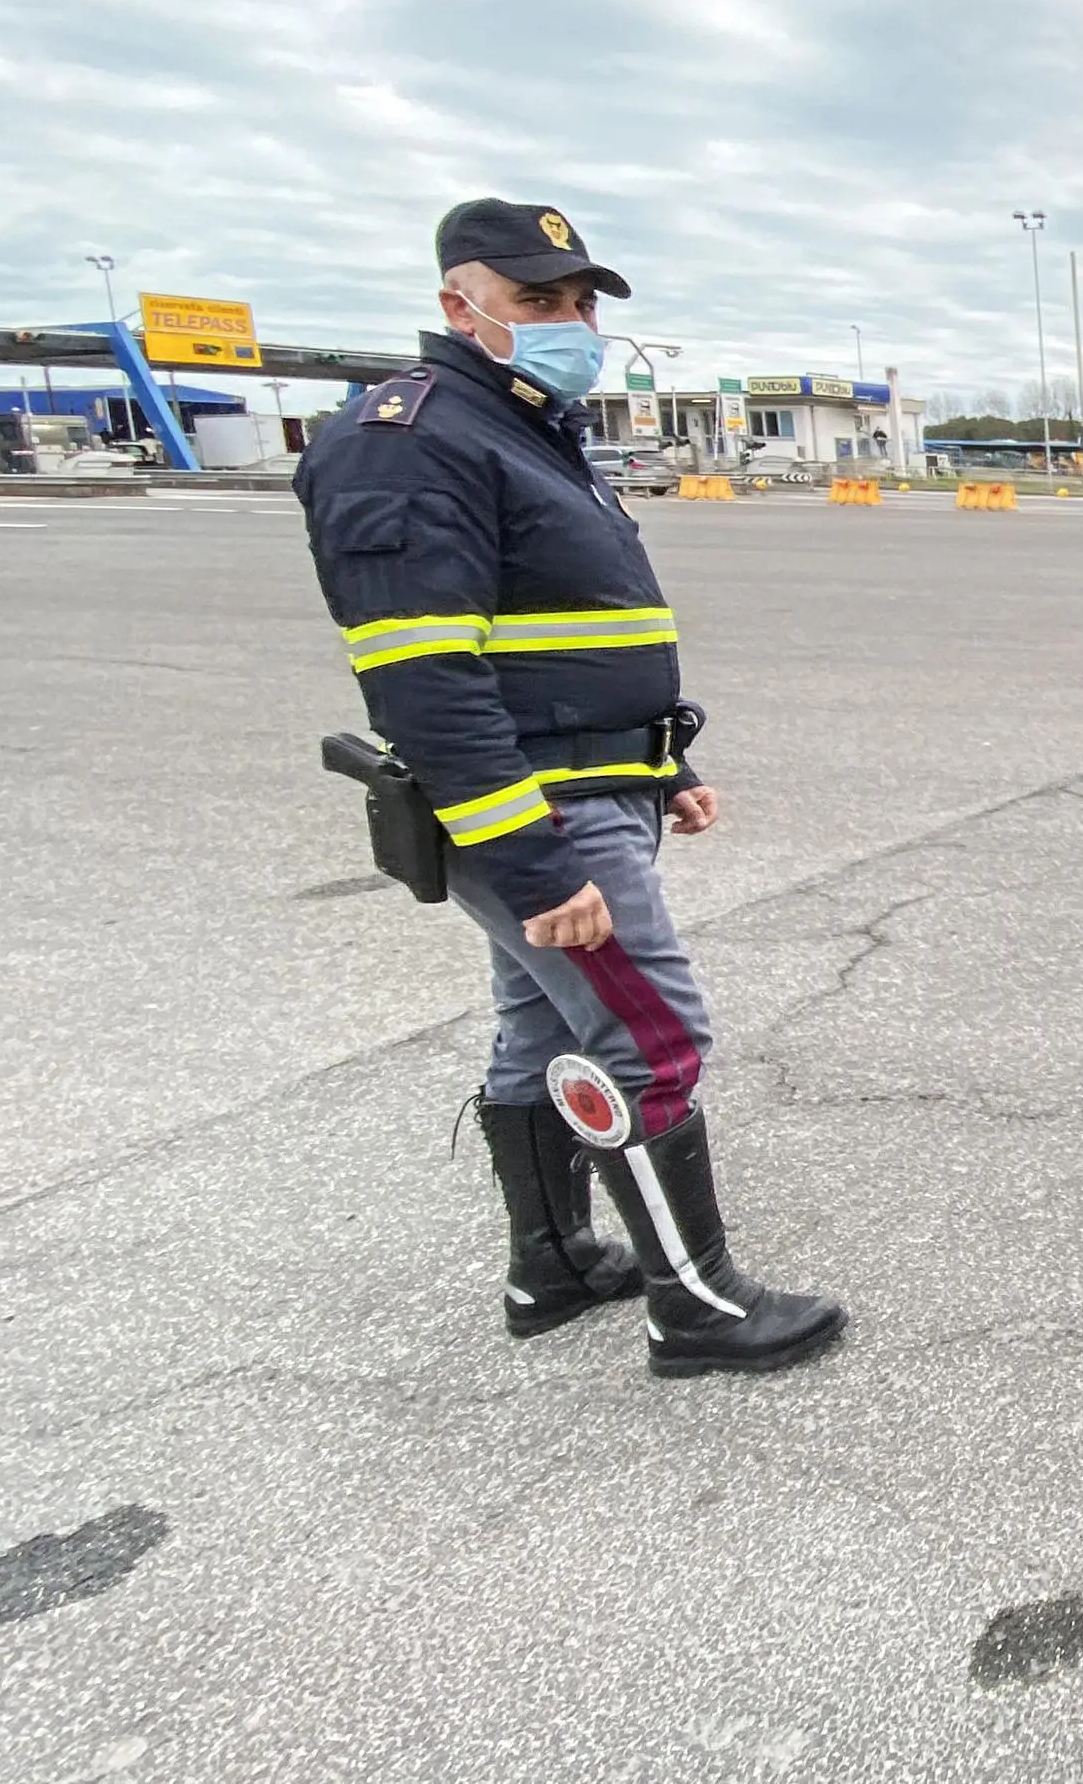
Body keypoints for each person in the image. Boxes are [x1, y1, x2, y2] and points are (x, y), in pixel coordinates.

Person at [295, 198, 843, 1376]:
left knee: (541, 1024)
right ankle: (694, 1309)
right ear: (460, 305)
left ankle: (550, 1266)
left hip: (597, 782)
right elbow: (423, 675)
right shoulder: (409, 439)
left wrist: (667, 761)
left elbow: (569, 636)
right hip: (542, 814)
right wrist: (532, 860)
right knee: (649, 1036)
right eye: (539, 301)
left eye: (581, 302)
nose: (571, 323)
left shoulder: (521, 426)